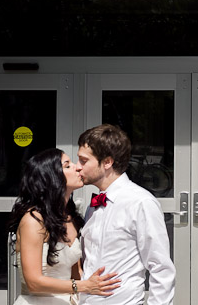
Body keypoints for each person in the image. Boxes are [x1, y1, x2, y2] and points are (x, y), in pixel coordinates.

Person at [76, 124, 175, 305]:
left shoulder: (141, 203)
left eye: (83, 161)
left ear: (107, 162)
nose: (77, 167)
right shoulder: (95, 203)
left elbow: (161, 268)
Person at [8, 148, 121, 305]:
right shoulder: (33, 220)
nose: (77, 167)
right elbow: (33, 283)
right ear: (51, 177)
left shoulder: (71, 218)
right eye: (67, 165)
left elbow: (76, 273)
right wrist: (84, 286)